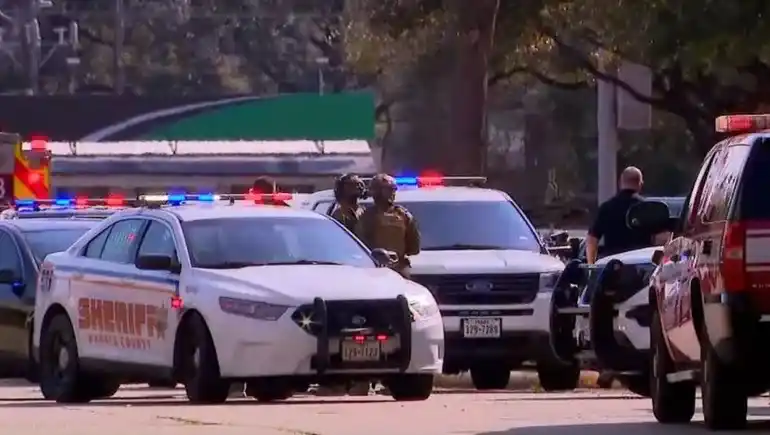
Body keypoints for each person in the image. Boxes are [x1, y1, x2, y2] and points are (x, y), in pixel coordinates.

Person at [355, 174, 420, 278]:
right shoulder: (366, 217)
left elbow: (414, 247)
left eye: (393, 189)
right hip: (374, 270)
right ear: (377, 191)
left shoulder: (403, 215)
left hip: (398, 269)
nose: (393, 192)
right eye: (389, 189)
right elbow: (359, 245)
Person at [586, 166, 653, 264]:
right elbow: (661, 239)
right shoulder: (647, 208)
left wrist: (591, 266)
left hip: (613, 267)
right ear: (640, 184)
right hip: (641, 267)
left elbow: (592, 240)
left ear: (620, 182)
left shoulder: (606, 208)